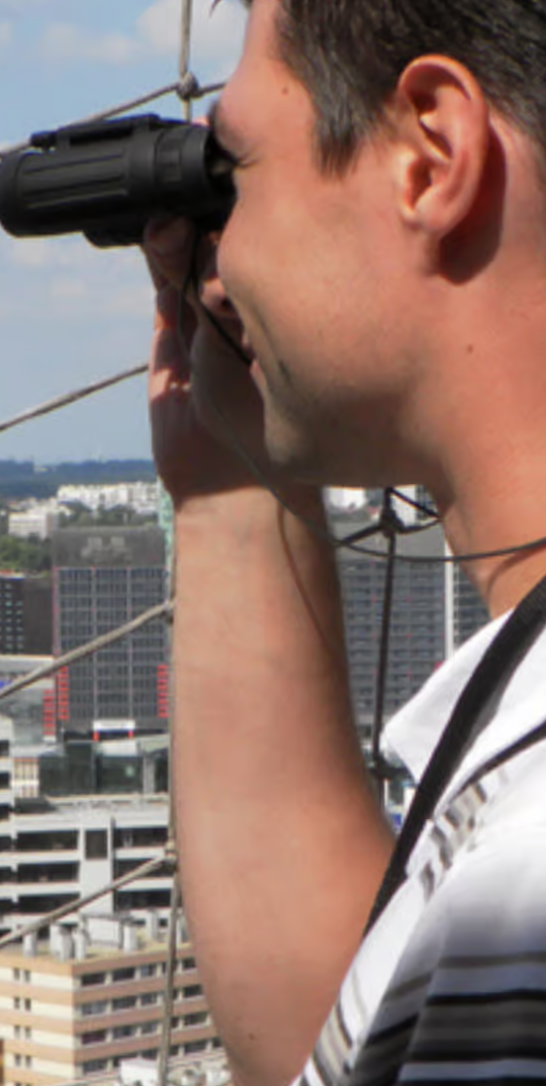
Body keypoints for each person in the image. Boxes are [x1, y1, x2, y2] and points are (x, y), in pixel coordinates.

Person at [145, 1, 546, 1084]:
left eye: (235, 172)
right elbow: (349, 1029)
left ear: (430, 156)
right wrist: (230, 464)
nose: (218, 256)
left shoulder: (527, 879)